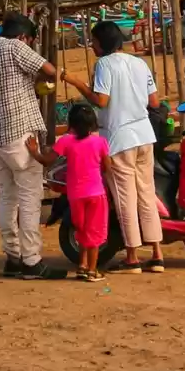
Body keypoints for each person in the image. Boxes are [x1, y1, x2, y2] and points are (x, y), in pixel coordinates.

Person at [64, 19, 165, 274]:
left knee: (125, 199)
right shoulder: (140, 63)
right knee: (146, 194)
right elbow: (154, 102)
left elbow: (101, 100)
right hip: (144, 136)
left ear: (102, 43)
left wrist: (77, 83)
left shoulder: (104, 65)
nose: (92, 46)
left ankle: (132, 257)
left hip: (120, 139)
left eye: (94, 42)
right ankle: (156, 253)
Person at [0, 13, 67, 280]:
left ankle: (12, 257)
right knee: (29, 199)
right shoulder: (16, 47)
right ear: (24, 37)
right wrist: (46, 83)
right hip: (21, 134)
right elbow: (49, 71)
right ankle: (32, 261)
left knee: (8, 197)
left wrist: (19, 89)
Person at [26, 103, 111, 282]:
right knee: (94, 232)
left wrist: (35, 152)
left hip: (75, 195)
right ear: (93, 124)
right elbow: (107, 168)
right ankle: (92, 270)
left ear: (71, 122)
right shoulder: (100, 142)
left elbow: (47, 160)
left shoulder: (65, 141)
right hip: (96, 193)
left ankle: (82, 265)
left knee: (81, 229)